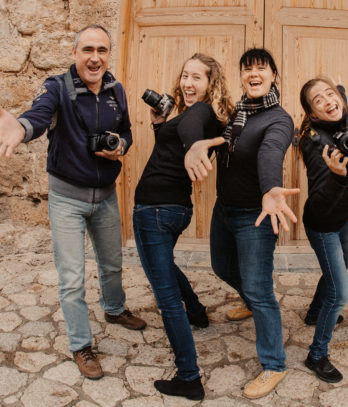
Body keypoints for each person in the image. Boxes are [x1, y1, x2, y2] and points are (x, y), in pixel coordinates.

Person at [0, 24, 147, 380]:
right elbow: (37, 118)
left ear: (108, 55)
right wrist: (20, 128)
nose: (94, 57)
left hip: (105, 196)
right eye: (87, 50)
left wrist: (121, 146)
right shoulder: (57, 88)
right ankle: (81, 345)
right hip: (67, 200)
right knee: (72, 278)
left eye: (101, 50)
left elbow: (129, 131)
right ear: (75, 54)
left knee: (113, 264)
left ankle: (114, 309)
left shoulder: (116, 90)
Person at [132, 53, 232, 400]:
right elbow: (173, 146)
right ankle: (199, 313)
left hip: (154, 210)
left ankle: (189, 377)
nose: (188, 83)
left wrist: (191, 148)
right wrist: (161, 125)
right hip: (173, 209)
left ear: (210, 84)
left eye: (197, 78)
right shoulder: (200, 116)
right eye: (185, 76)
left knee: (165, 297)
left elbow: (189, 132)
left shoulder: (199, 113)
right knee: (164, 266)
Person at [209, 48, 298, 399]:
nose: (253, 74)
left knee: (261, 291)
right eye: (247, 69)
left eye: (261, 68)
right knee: (221, 266)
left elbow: (270, 152)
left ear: (274, 75)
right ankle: (247, 299)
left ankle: (274, 364)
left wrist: (271, 187)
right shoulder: (235, 114)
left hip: (255, 216)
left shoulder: (279, 119)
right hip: (224, 209)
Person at [297, 78, 348, 383]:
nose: (329, 101)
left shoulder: (340, 125)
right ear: (312, 114)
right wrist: (338, 178)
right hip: (323, 224)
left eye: (331, 95)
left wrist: (339, 90)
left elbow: (340, 98)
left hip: (340, 219)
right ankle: (317, 355)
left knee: (339, 269)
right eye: (318, 100)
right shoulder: (318, 144)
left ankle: (313, 313)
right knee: (339, 293)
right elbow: (321, 199)